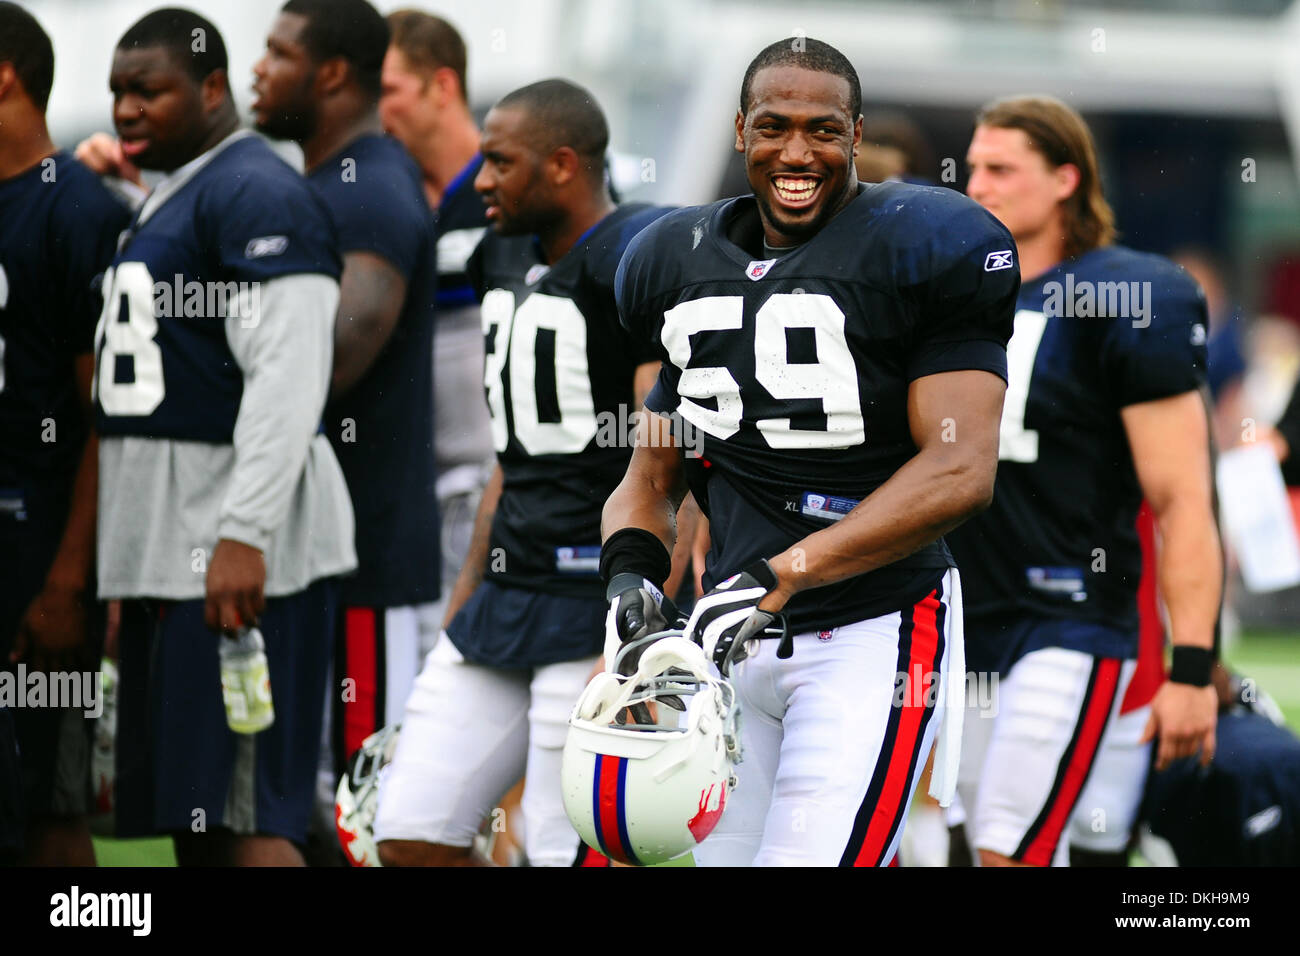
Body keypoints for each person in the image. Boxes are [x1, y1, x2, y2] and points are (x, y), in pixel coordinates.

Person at [604, 37, 1018, 867]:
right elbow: (648, 479)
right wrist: (629, 580)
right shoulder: (676, 260)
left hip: (872, 631)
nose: (798, 152)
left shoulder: (925, 243)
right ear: (739, 132)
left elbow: (960, 469)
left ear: (857, 134)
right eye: (774, 127)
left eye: (823, 131)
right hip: (732, 640)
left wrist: (785, 572)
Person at [373, 79, 668, 867]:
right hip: (508, 587)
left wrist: (651, 609)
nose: (481, 181)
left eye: (500, 162)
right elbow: (515, 452)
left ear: (564, 164)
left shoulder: (636, 254)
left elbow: (664, 456)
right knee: (407, 831)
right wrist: (468, 588)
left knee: (558, 846)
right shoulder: (498, 252)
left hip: (592, 592)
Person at [94, 7, 355, 866]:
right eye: (117, 93)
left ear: (212, 88)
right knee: (196, 819)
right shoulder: (181, 190)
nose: (127, 110)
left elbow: (286, 379)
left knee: (249, 819)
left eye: (149, 91)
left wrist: (244, 533)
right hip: (174, 554)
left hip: (234, 553)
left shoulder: (257, 191)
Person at [949, 94, 1220, 867]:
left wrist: (1193, 667)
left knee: (1011, 847)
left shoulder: (1124, 296)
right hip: (961, 617)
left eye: (1001, 169)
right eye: (973, 168)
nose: (979, 186)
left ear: (1066, 178)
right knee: (974, 847)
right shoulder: (956, 292)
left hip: (1067, 615)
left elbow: (1183, 499)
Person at [250, 0, 440, 801]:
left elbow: (323, 363)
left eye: (276, 52)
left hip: (366, 565)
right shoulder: (328, 184)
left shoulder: (371, 193)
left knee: (366, 810)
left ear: (329, 73)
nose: (256, 69)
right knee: (296, 808)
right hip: (314, 555)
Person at [0, 1, 131, 866]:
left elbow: (107, 418)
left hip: (37, 543)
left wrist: (70, 577)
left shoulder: (79, 211)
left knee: (48, 802)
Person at [379, 10, 494, 642]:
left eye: (389, 90)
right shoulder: (384, 197)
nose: (376, 110)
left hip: (493, 498)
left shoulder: (513, 190)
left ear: (441, 87)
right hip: (412, 504)